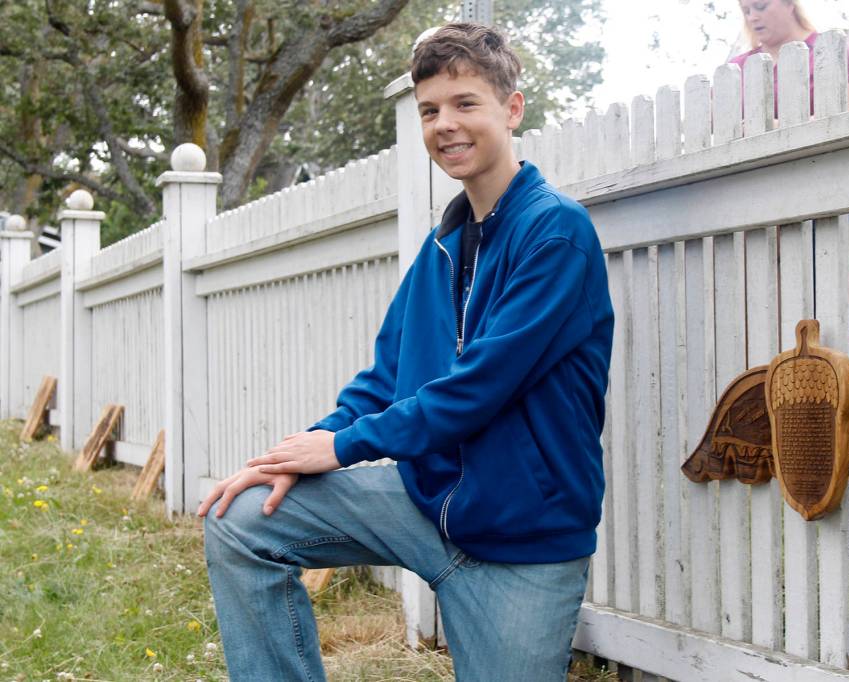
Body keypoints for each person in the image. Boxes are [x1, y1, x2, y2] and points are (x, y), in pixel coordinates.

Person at [198, 22, 614, 682]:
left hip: (523, 546)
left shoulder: (555, 232)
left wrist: (339, 450)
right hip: (425, 507)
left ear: (512, 108)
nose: (445, 124)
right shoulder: (442, 248)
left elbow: (477, 389)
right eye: (429, 110)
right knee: (241, 519)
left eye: (464, 103)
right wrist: (294, 452)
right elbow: (383, 379)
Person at [729, 0, 819, 116]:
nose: (752, 17)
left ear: (789, 4)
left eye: (761, 6)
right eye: (746, 11)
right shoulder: (737, 67)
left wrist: (777, 127)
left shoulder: (828, 50)